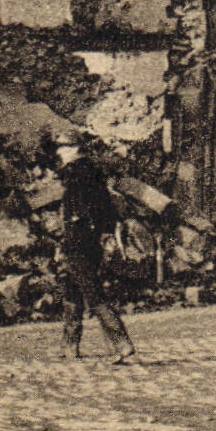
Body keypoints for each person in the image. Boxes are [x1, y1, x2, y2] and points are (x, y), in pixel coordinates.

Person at [52, 128, 136, 364]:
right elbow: (107, 209)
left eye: (65, 147)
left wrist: (81, 226)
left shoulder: (79, 173)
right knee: (72, 289)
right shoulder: (89, 171)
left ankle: (121, 343)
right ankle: (69, 346)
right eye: (60, 147)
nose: (61, 152)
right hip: (83, 240)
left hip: (80, 241)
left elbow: (82, 210)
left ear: (76, 149)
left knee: (92, 291)